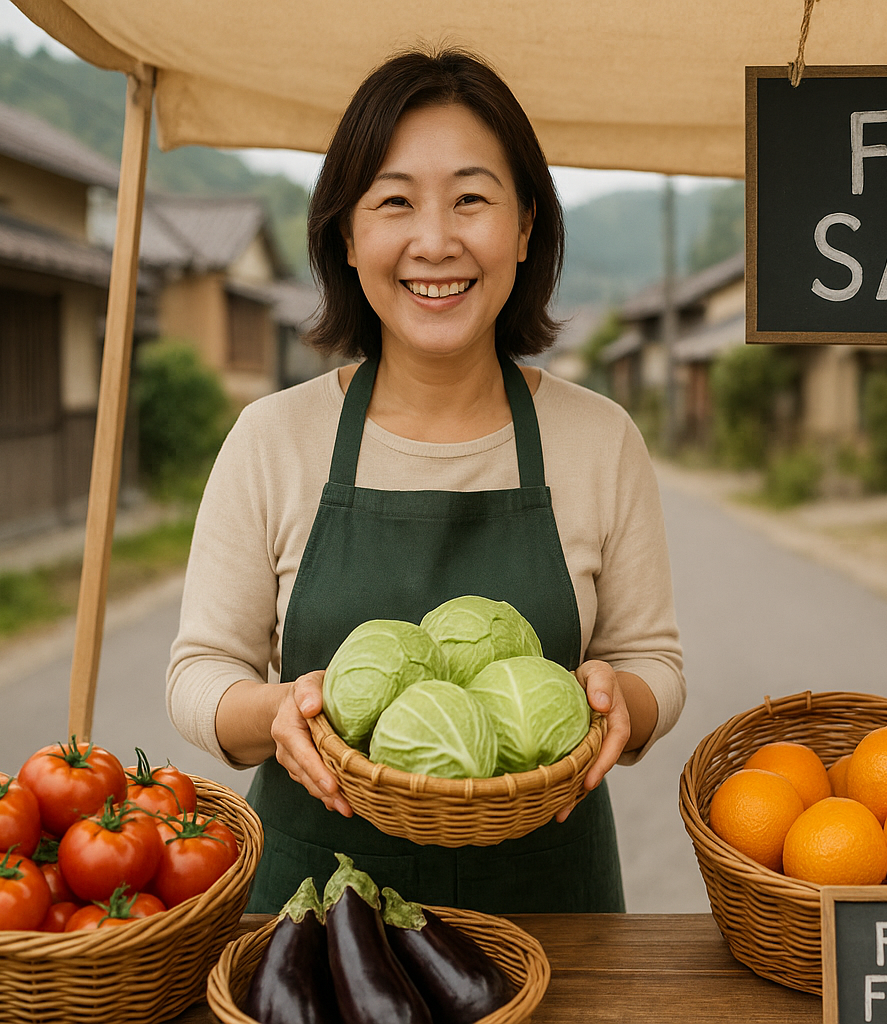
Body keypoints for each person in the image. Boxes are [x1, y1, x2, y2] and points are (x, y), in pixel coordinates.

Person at [166, 48, 684, 915]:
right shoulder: (273, 439)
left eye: (471, 199)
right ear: (347, 234)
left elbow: (652, 662)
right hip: (317, 912)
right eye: (395, 202)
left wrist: (621, 699)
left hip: (551, 909)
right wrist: (275, 712)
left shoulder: (600, 440)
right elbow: (201, 673)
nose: (436, 242)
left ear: (526, 227)